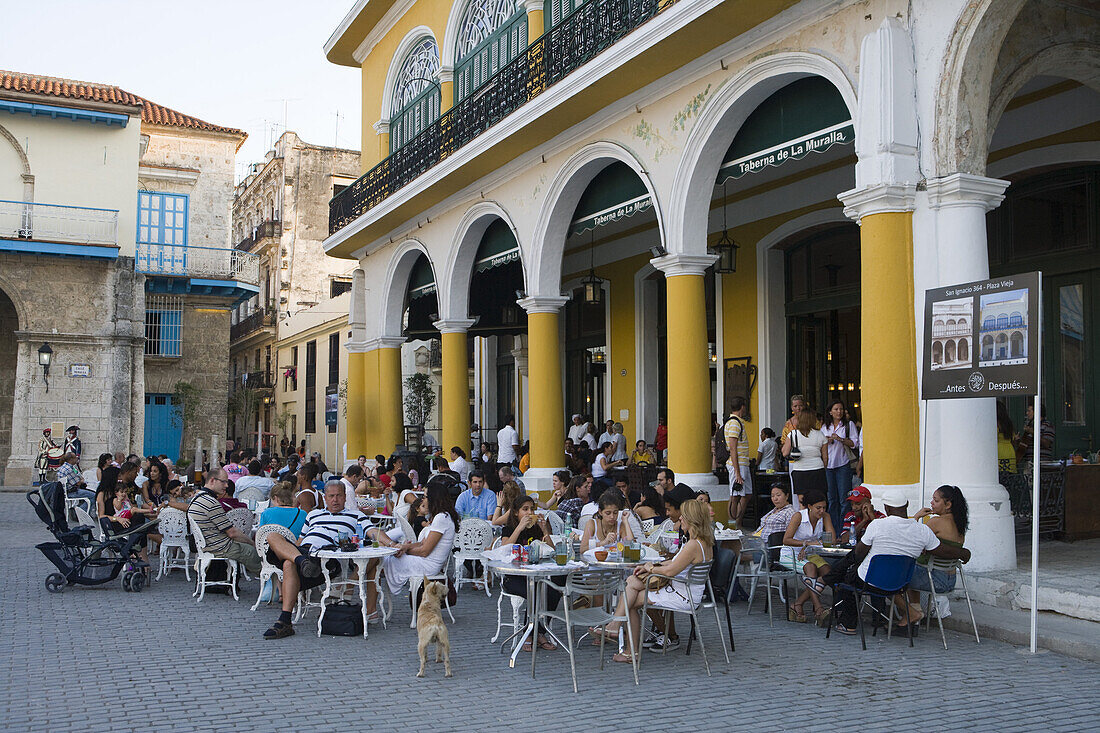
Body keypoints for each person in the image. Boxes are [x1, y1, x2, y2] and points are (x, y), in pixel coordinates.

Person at [822, 489, 972, 635]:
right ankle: (905, 615)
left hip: (879, 580)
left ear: (886, 508)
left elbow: (859, 553)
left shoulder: (878, 525)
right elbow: (942, 550)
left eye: (936, 500)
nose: (932, 503)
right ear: (906, 505)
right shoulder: (923, 530)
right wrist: (964, 553)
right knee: (885, 571)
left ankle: (847, 623)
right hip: (902, 579)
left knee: (851, 574)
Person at [599, 499, 714, 663]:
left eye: (683, 516)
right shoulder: (702, 542)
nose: (680, 519)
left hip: (683, 595)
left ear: (691, 519)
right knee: (632, 584)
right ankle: (617, 631)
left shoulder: (693, 545)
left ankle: (623, 640)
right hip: (685, 591)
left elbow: (670, 570)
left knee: (631, 598)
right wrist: (650, 566)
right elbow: (675, 563)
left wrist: (651, 568)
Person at [259, 481, 365, 639]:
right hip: (305, 553)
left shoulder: (355, 515)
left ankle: (285, 620)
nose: (335, 500)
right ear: (325, 498)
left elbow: (372, 533)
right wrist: (291, 551)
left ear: (345, 497)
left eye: (338, 496)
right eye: (331, 496)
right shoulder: (313, 515)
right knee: (273, 535)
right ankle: (301, 561)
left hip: (326, 557)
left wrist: (393, 544)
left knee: (289, 563)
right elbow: (300, 541)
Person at [365, 476, 459, 618]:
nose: (423, 500)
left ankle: (367, 606)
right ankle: (369, 607)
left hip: (428, 564)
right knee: (378, 562)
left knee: (378, 563)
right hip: (424, 560)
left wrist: (404, 550)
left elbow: (424, 551)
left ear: (434, 499)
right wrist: (404, 548)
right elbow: (421, 543)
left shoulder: (442, 518)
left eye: (426, 497)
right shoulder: (438, 517)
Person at [899, 485, 970, 624]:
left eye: (936, 500)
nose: (932, 503)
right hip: (950, 580)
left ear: (948, 504)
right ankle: (916, 612)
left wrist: (917, 516)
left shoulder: (936, 522)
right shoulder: (960, 524)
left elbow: (910, 538)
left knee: (899, 573)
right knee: (914, 567)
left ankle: (914, 613)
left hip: (934, 579)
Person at [502, 495, 562, 651]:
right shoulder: (509, 528)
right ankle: (528, 634)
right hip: (513, 577)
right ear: (516, 512)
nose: (530, 512)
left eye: (532, 509)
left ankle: (540, 632)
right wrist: (519, 528)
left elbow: (552, 551)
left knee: (554, 590)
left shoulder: (535, 528)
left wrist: (544, 530)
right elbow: (504, 550)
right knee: (536, 591)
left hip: (534, 574)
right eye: (525, 509)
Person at [187, 467, 262, 577]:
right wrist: (253, 543)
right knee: (251, 552)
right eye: (223, 482)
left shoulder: (197, 498)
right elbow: (232, 533)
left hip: (206, 545)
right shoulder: (211, 502)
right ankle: (270, 580)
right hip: (219, 547)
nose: (226, 485)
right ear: (212, 480)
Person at [782, 490, 836, 624]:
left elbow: (832, 539)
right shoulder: (798, 516)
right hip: (791, 553)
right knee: (811, 568)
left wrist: (808, 546)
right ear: (809, 506)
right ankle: (818, 608)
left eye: (824, 507)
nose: (821, 511)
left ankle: (798, 604)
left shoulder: (825, 517)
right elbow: (786, 540)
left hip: (810, 553)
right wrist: (806, 543)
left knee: (827, 571)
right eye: (818, 508)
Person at [821, 399, 859, 533]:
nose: (839, 412)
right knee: (831, 499)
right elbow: (820, 443)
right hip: (828, 465)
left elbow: (855, 444)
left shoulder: (848, 425)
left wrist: (840, 439)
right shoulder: (825, 426)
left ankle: (844, 530)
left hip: (843, 464)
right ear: (830, 412)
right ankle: (833, 531)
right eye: (836, 409)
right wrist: (827, 440)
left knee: (844, 499)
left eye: (841, 409)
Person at [782, 409, 828, 503]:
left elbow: (785, 453)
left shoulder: (793, 434)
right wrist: (824, 467)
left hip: (800, 470)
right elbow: (825, 457)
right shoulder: (820, 434)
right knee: (818, 500)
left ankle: (804, 517)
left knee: (802, 501)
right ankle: (818, 518)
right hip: (817, 469)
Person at [723, 397, 753, 528]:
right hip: (738, 464)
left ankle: (737, 522)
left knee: (746, 494)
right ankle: (732, 524)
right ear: (742, 407)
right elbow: (733, 448)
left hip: (741, 463)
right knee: (735, 495)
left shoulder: (735, 422)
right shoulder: (735, 423)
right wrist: (737, 472)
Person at [995, 401, 1017, 473]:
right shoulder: (1008, 423)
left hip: (999, 451)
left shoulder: (996, 423)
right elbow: (1013, 438)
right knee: (1009, 475)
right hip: (1010, 450)